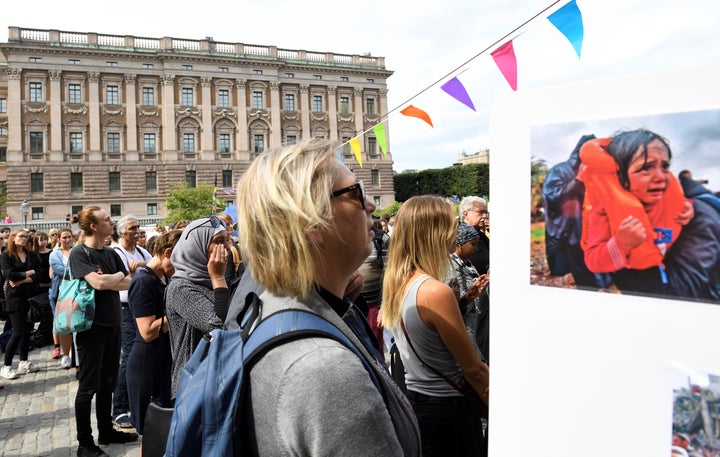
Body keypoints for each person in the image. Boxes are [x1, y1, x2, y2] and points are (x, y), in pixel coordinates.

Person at [232, 138, 421, 455]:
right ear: (312, 222)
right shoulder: (324, 368)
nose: (371, 205)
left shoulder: (272, 307)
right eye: (356, 193)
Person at [380, 195, 489, 457]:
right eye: (448, 223)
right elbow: (473, 369)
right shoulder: (434, 290)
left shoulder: (398, 281)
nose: (455, 230)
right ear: (433, 233)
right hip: (450, 410)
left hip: (419, 402)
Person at [579, 129, 703, 299]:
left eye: (665, 166)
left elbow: (678, 201)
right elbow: (593, 261)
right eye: (646, 167)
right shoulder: (605, 211)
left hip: (665, 269)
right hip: (633, 278)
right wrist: (622, 244)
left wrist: (687, 205)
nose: (660, 176)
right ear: (619, 176)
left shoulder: (665, 196)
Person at [69, 206, 137, 457]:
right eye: (106, 220)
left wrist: (112, 279)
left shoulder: (109, 252)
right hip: (90, 327)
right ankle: (84, 443)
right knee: (88, 386)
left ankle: (106, 430)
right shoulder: (79, 253)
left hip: (113, 323)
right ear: (94, 226)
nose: (111, 222)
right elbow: (100, 282)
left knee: (108, 381)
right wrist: (117, 275)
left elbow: (129, 282)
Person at [126, 230, 181, 454]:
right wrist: (179, 313)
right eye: (179, 260)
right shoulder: (142, 281)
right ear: (167, 253)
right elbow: (147, 331)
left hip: (162, 363)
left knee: (163, 433)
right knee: (151, 436)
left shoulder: (164, 277)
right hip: (146, 366)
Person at [165, 216, 231, 397]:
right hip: (194, 386)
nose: (226, 247)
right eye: (218, 241)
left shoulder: (213, 280)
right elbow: (218, 326)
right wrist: (218, 279)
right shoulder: (180, 288)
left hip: (218, 379)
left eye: (227, 240)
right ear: (197, 247)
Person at [543, 134, 610, 288]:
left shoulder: (595, 171)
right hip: (571, 234)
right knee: (584, 275)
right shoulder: (559, 170)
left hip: (593, 229)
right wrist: (578, 180)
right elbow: (553, 197)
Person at [111, 215, 152, 429]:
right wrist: (135, 272)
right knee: (129, 356)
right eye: (132, 227)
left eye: (138, 226)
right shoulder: (116, 253)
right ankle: (118, 408)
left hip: (142, 307)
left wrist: (144, 266)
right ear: (121, 232)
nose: (137, 230)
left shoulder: (142, 251)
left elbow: (153, 268)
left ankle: (141, 399)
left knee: (142, 354)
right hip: (125, 310)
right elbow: (118, 279)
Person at [0, 229, 42, 380]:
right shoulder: (6, 255)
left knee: (27, 331)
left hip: (30, 297)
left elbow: (39, 274)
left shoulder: (31, 255)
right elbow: (9, 275)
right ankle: (6, 366)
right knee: (17, 331)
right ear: (12, 239)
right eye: (21, 236)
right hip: (15, 299)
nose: (24, 239)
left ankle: (23, 361)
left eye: (26, 237)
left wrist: (22, 279)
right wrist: (28, 273)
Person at [449, 223, 490, 361]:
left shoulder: (466, 262)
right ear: (460, 243)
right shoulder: (451, 267)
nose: (476, 248)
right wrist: (469, 297)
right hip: (464, 331)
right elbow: (454, 305)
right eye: (472, 244)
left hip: (473, 327)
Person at [357, 218, 390, 354]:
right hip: (352, 305)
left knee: (375, 349)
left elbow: (390, 273)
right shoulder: (346, 235)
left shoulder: (381, 238)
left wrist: (384, 306)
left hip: (374, 305)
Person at [48, 228, 75, 368]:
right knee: (64, 325)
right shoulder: (54, 254)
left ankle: (74, 353)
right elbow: (59, 271)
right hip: (61, 292)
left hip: (77, 291)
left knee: (76, 323)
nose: (67, 240)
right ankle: (65, 354)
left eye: (69, 237)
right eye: (64, 237)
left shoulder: (77, 250)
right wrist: (79, 271)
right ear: (58, 239)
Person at [458, 196, 490, 274]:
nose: (485, 216)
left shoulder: (481, 235)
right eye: (480, 212)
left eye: (486, 212)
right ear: (466, 214)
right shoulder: (460, 235)